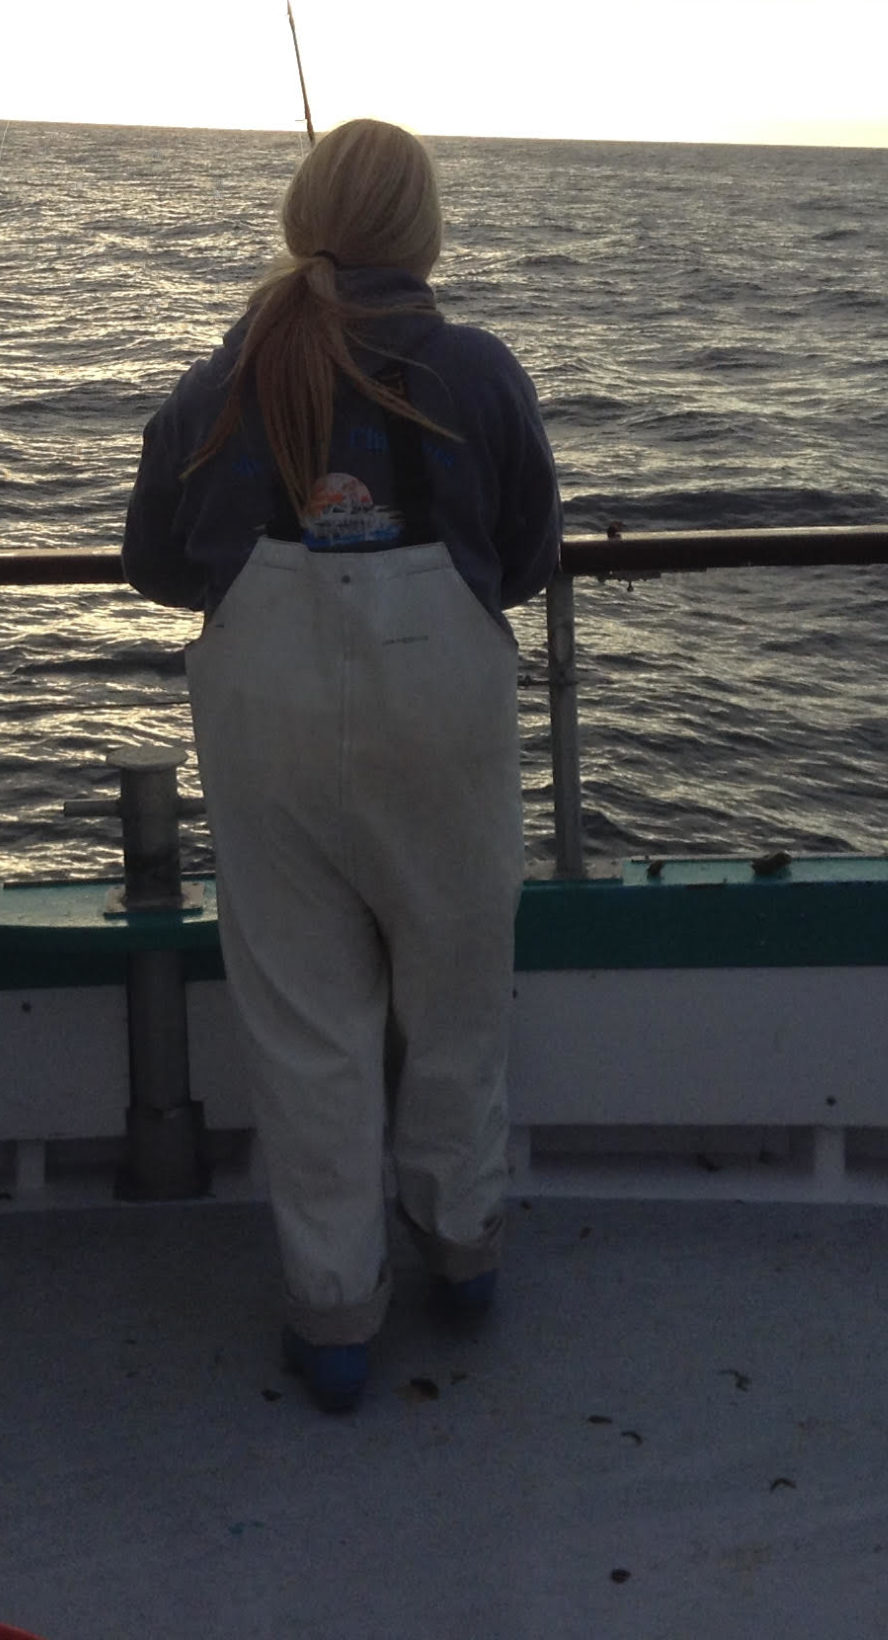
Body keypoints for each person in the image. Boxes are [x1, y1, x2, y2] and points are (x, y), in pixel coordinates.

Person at [123, 118, 561, 1411]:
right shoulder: (478, 372)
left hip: (268, 729)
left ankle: (333, 1316)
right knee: (458, 994)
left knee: (307, 1024)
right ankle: (462, 1247)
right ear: (421, 230)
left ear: (301, 215)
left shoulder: (220, 379)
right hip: (443, 721)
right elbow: (527, 557)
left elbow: (154, 564)